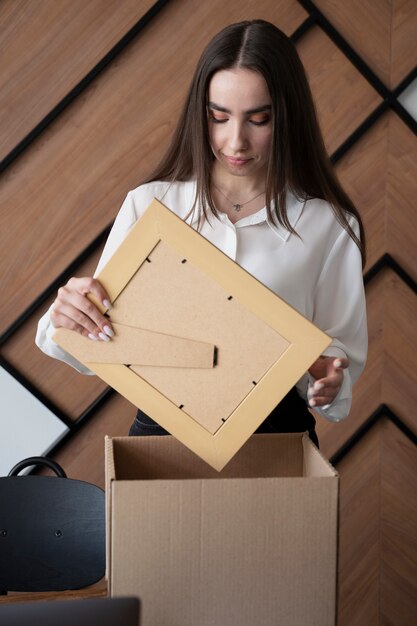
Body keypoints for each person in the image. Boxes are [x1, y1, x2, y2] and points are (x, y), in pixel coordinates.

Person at [36, 20, 367, 445]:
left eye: (259, 119)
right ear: (201, 113)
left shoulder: (330, 225)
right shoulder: (150, 205)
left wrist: (329, 378)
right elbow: (101, 340)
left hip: (279, 441)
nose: (236, 141)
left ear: (288, 116)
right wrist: (66, 320)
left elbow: (340, 356)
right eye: (219, 117)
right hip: (159, 440)